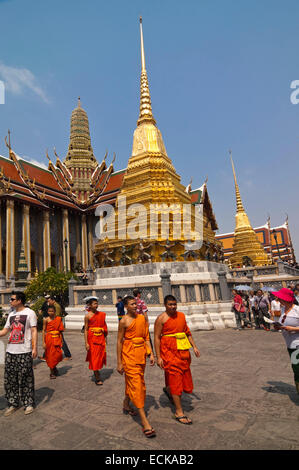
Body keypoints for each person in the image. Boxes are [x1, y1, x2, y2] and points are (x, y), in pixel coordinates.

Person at [154, 295, 200, 425]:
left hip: (182, 351)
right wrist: (159, 357)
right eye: (170, 304)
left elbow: (187, 332)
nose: (173, 307)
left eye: (174, 304)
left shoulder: (181, 316)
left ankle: (168, 390)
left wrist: (194, 347)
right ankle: (179, 412)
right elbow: (157, 338)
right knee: (175, 378)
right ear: (165, 305)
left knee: (181, 375)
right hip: (168, 351)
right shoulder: (161, 319)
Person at [117, 295, 156, 438]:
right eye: (132, 304)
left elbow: (146, 337)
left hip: (141, 355)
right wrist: (119, 362)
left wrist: (151, 353)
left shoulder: (141, 318)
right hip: (129, 355)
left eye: (136, 304)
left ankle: (126, 403)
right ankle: (144, 421)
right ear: (126, 306)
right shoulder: (124, 321)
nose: (135, 306)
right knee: (137, 385)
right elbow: (119, 342)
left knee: (134, 382)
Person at [0, 291, 37, 416]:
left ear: (19, 300)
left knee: (26, 378)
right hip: (11, 351)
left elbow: (33, 330)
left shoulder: (30, 313)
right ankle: (13, 403)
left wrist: (34, 347)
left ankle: (28, 403)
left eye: (12, 299)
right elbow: (5, 331)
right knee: (10, 379)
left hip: (24, 350)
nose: (10, 301)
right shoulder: (11, 314)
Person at [273, 288, 299, 394]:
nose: (278, 300)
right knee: (295, 367)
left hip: (297, 344)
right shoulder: (283, 310)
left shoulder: (297, 310)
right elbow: (282, 323)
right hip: (290, 345)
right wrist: (278, 327)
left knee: (297, 368)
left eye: (280, 298)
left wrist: (293, 329)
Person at [84, 296, 108, 386]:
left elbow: (104, 326)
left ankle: (97, 370)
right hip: (92, 339)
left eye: (97, 303)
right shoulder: (87, 316)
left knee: (99, 357)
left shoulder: (101, 315)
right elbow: (86, 329)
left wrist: (105, 337)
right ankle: (97, 375)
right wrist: (86, 343)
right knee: (94, 357)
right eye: (94, 303)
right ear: (90, 305)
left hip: (100, 338)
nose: (96, 305)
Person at [42, 305, 64, 379]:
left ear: (55, 312)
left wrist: (61, 340)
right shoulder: (46, 320)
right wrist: (43, 342)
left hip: (57, 338)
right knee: (50, 356)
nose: (51, 313)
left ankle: (54, 367)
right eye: (49, 311)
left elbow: (60, 331)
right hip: (49, 339)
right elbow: (43, 331)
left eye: (52, 311)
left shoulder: (59, 319)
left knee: (58, 355)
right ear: (47, 312)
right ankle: (52, 372)